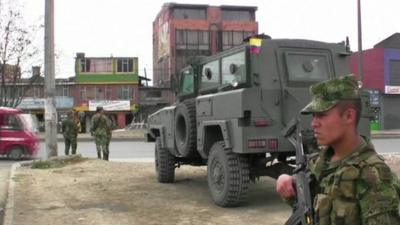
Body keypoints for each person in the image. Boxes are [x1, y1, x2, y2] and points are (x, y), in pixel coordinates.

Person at [276, 75, 400, 225]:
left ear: (349, 116)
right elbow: (309, 211)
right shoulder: (318, 163)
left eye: (322, 115)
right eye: (314, 116)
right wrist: (288, 186)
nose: (314, 123)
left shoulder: (374, 176)